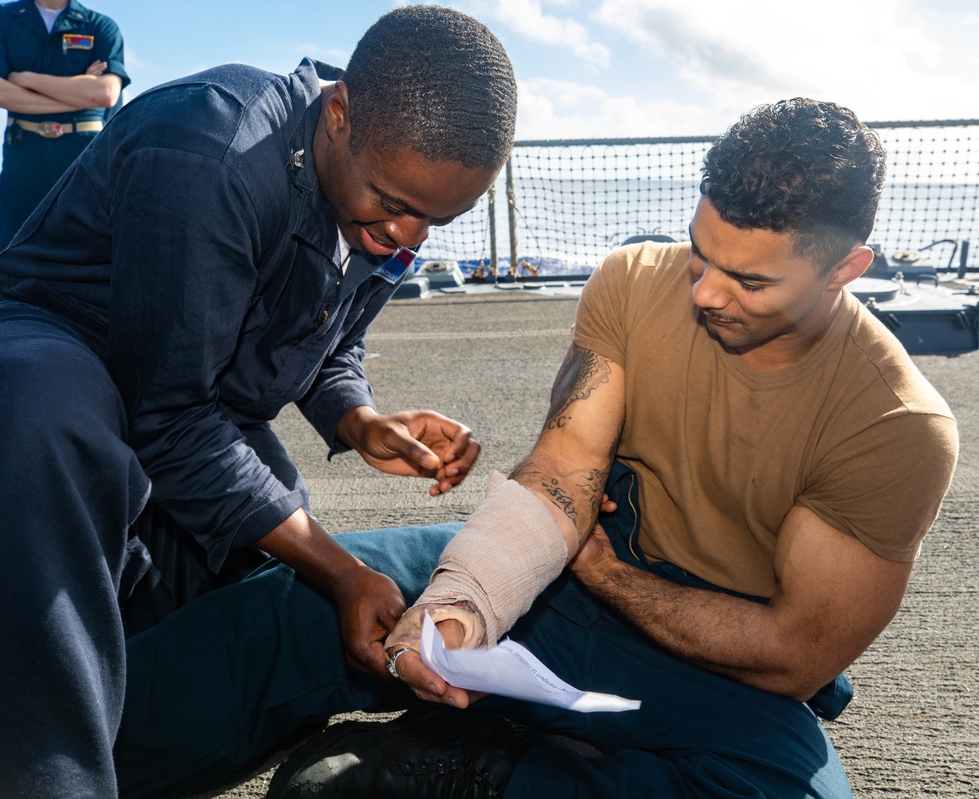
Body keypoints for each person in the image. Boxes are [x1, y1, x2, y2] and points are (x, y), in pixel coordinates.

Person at [105, 97, 959, 799]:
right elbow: (560, 472)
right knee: (294, 606)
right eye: (701, 253)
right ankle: (57, 766)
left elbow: (794, 652)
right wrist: (465, 606)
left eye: (750, 280)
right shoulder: (635, 280)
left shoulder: (895, 424)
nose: (703, 291)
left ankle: (489, 763)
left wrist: (603, 572)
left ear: (847, 269)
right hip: (568, 567)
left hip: (712, 655)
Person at [0, 6, 517, 798]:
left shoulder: (381, 196)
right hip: (66, 344)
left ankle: (107, 711)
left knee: (255, 570)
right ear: (338, 113)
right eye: (393, 201)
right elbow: (169, 419)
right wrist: (342, 569)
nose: (406, 234)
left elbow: (327, 340)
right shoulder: (214, 151)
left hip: (193, 399)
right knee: (45, 419)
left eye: (436, 220)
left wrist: (357, 417)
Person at [0, 0, 129, 253]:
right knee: (14, 251)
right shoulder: (1, 18)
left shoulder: (100, 26)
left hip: (83, 156)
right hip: (23, 154)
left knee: (84, 251)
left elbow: (104, 94)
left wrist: (24, 79)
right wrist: (77, 93)